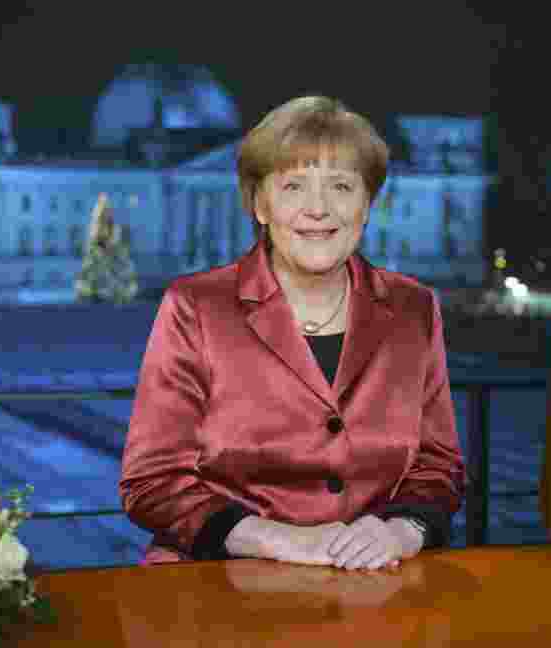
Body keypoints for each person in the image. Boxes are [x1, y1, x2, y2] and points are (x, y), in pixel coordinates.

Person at [120, 95, 465, 571]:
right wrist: (279, 540)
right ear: (260, 205)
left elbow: (438, 466)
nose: (318, 209)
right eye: (294, 187)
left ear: (366, 204)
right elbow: (152, 481)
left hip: (372, 584)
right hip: (217, 589)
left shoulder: (414, 308)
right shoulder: (195, 306)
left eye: (341, 187)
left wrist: (401, 531)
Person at [75, 193, 139, 305]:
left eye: (107, 224)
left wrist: (122, 293)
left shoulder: (119, 253)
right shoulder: (93, 253)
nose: (103, 229)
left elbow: (129, 282)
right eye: (101, 223)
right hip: (97, 303)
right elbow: (83, 282)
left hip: (116, 304)